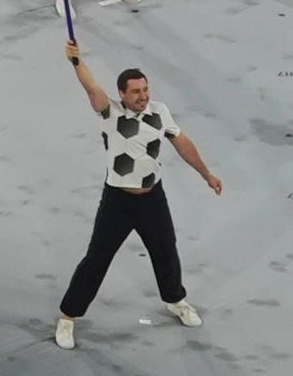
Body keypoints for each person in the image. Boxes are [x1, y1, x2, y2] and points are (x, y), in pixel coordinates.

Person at [50, 46, 219, 347]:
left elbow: (182, 144)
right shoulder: (110, 112)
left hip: (153, 197)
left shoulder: (160, 112)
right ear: (122, 94)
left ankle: (175, 300)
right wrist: (76, 61)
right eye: (136, 91)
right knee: (97, 259)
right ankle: (67, 317)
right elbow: (91, 86)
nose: (143, 96)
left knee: (166, 249)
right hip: (118, 201)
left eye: (145, 89)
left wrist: (206, 174)